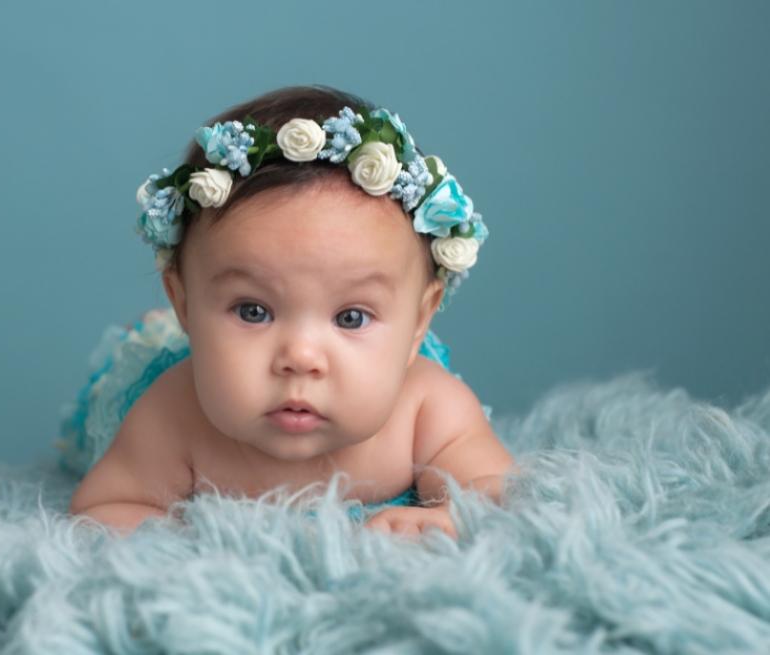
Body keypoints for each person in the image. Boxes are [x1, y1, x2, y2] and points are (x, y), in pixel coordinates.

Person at [63, 84, 515, 540]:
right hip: (157, 366)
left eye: (351, 317)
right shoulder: (173, 416)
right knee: (139, 349)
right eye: (253, 311)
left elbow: (492, 487)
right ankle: (152, 329)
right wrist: (186, 542)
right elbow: (105, 505)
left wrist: (448, 516)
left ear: (419, 321)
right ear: (184, 304)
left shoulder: (427, 409)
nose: (300, 356)